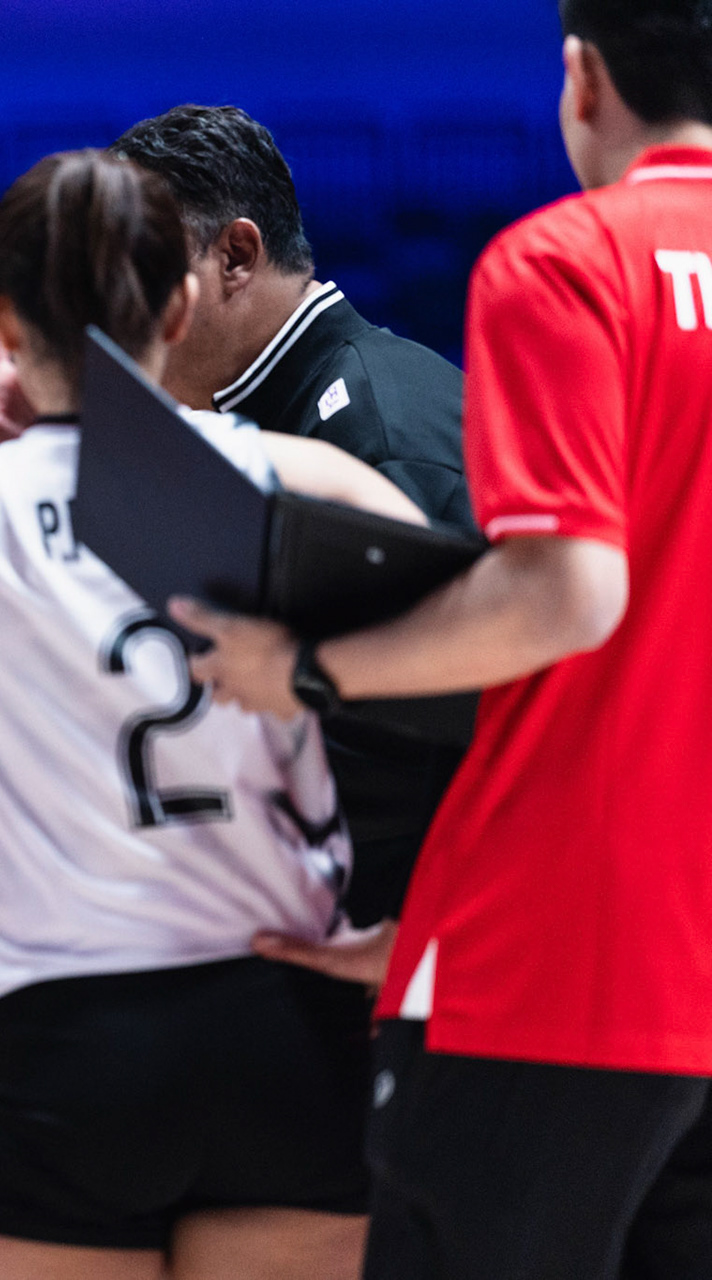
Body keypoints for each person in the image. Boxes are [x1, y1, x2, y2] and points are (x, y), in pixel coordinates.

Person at [182, 1, 712, 1275]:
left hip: (562, 953)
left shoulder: (566, 259)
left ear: (583, 77)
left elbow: (566, 597)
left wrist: (303, 670)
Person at [0, 149, 432, 1280]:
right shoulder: (309, 484)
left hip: (64, 1036)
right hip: (283, 1021)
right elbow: (483, 671)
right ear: (178, 308)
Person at [106, 105, 477, 939]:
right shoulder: (274, 407)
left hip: (409, 944)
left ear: (236, 256)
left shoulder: (379, 434)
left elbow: (427, 726)